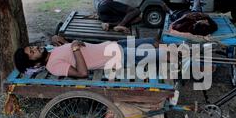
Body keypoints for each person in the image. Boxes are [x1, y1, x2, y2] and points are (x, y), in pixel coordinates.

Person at [14, 35, 163, 78]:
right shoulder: (53, 66)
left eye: (32, 47)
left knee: (153, 41)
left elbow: (68, 51)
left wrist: (61, 41)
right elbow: (82, 73)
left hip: (114, 45)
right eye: (32, 52)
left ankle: (182, 51)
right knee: (164, 54)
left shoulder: (51, 51)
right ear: (35, 64)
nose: (35, 48)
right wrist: (75, 48)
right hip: (117, 57)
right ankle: (185, 55)